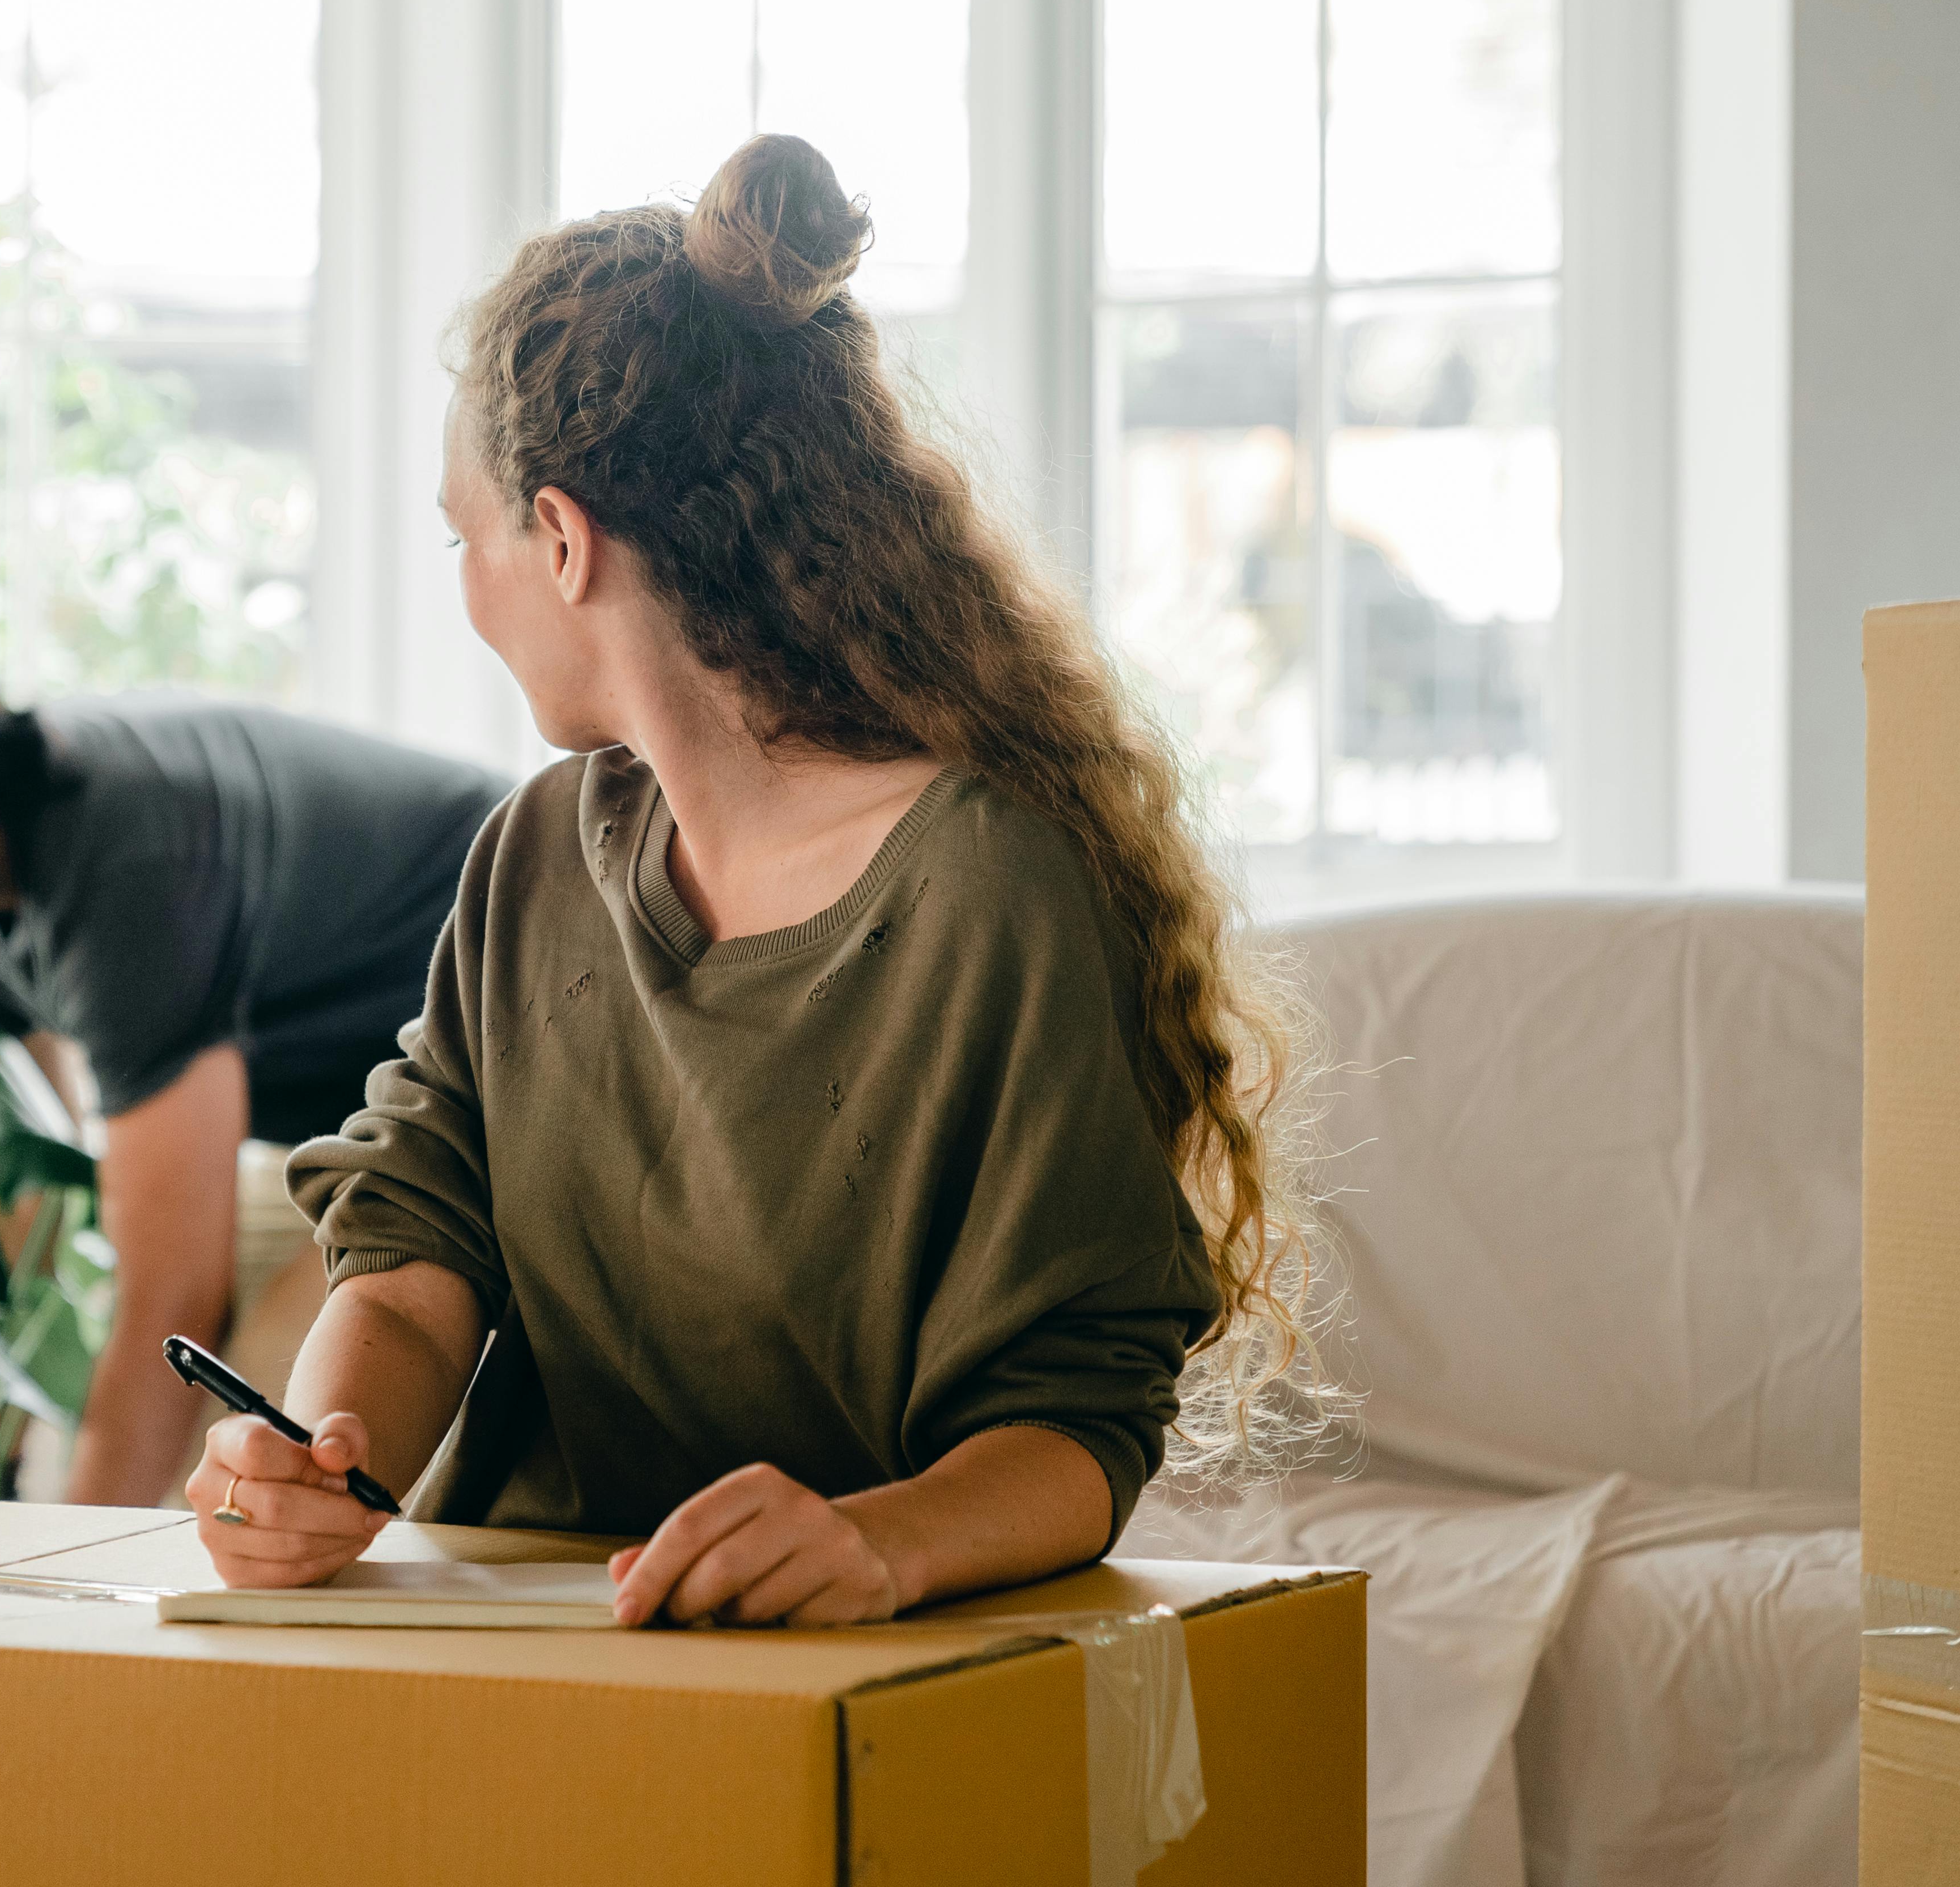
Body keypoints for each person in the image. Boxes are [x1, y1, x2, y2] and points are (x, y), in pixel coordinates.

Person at [190, 134, 1325, 1625]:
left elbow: (1077, 1426)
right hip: (527, 1662)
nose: (465, 585)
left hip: (849, 1672)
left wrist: (883, 1540)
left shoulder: (994, 886)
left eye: (462, 536)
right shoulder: (533, 851)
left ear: (559, 539)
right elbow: (410, 1259)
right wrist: (322, 1460)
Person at [0, 562, 512, 1506]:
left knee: (259, 1439)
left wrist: (46, 1591)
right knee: (181, 1426)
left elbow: (172, 1299)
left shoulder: (127, 866)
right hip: (352, 1117)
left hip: (512, 1071)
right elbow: (34, 1185)